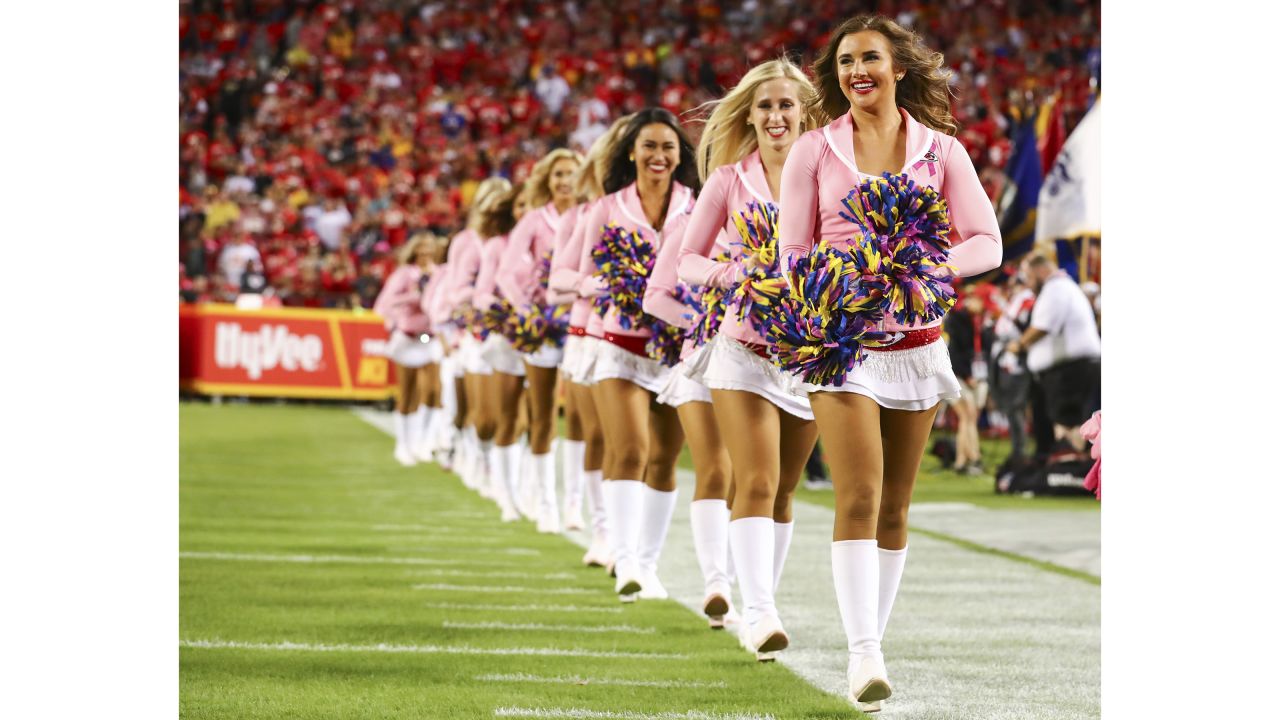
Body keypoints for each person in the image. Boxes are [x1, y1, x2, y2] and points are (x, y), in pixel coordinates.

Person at [777, 15, 1002, 710]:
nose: (856, 71)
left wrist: (919, 269)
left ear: (898, 67)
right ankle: (862, 653)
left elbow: (985, 241)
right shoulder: (814, 149)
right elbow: (790, 255)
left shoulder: (941, 151)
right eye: (845, 61)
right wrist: (845, 281)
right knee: (862, 494)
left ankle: (874, 634)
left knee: (898, 507)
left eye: (869, 58)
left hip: (918, 345)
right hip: (840, 344)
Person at [673, 59, 823, 652]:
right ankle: (759, 611)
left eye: (787, 104)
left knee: (785, 487)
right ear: (750, 114)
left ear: (806, 112)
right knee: (755, 479)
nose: (776, 115)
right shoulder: (729, 180)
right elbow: (688, 261)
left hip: (812, 350)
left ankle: (764, 598)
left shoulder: (833, 175)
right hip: (743, 347)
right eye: (765, 105)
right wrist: (739, 272)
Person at [576, 108, 700, 601]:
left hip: (675, 350)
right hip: (619, 345)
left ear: (679, 156)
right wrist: (617, 284)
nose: (658, 155)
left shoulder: (697, 203)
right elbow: (578, 277)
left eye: (668, 147)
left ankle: (648, 565)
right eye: (649, 145)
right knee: (630, 449)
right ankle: (624, 559)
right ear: (631, 151)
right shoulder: (606, 208)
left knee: (665, 459)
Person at [550, 115, 636, 569]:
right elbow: (557, 282)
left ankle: (630, 540)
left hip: (650, 338)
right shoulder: (588, 213)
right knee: (600, 436)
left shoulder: (674, 205)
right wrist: (593, 286)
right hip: (591, 335)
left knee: (640, 444)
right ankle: (602, 531)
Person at [495, 149, 586, 534]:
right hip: (544, 327)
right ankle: (546, 504)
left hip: (583, 324)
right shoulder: (535, 219)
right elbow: (504, 273)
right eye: (558, 174)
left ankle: (574, 506)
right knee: (543, 414)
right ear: (547, 180)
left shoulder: (591, 213)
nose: (565, 180)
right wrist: (527, 311)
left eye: (571, 173)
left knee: (582, 418)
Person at [473, 184, 531, 522]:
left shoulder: (548, 238)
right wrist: (503, 310)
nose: (525, 211)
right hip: (508, 336)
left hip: (544, 338)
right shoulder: (498, 245)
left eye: (530, 204)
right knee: (506, 418)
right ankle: (505, 493)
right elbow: (482, 293)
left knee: (534, 420)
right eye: (520, 205)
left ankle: (524, 489)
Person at [1006, 253, 1101, 455]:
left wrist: (1019, 345)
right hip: (1074, 367)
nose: (1029, 285)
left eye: (1029, 277)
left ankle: (1069, 471)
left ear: (1041, 271)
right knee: (1070, 422)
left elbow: (1042, 327)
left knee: (1068, 425)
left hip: (1069, 370)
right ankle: (1070, 470)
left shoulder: (1055, 289)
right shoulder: (1063, 287)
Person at [372, 233, 438, 466]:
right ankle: (403, 444)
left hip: (431, 338)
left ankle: (423, 442)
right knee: (408, 393)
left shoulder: (438, 273)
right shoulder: (404, 274)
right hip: (408, 338)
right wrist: (413, 297)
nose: (425, 256)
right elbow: (384, 304)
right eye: (421, 252)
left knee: (432, 391)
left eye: (429, 252)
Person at [944, 292, 993, 474]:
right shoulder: (957, 320)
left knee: (969, 418)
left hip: (977, 375)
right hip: (959, 375)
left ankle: (961, 460)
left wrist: (985, 327)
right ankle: (974, 457)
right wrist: (966, 374)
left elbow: (987, 347)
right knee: (967, 415)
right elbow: (954, 351)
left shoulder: (982, 322)